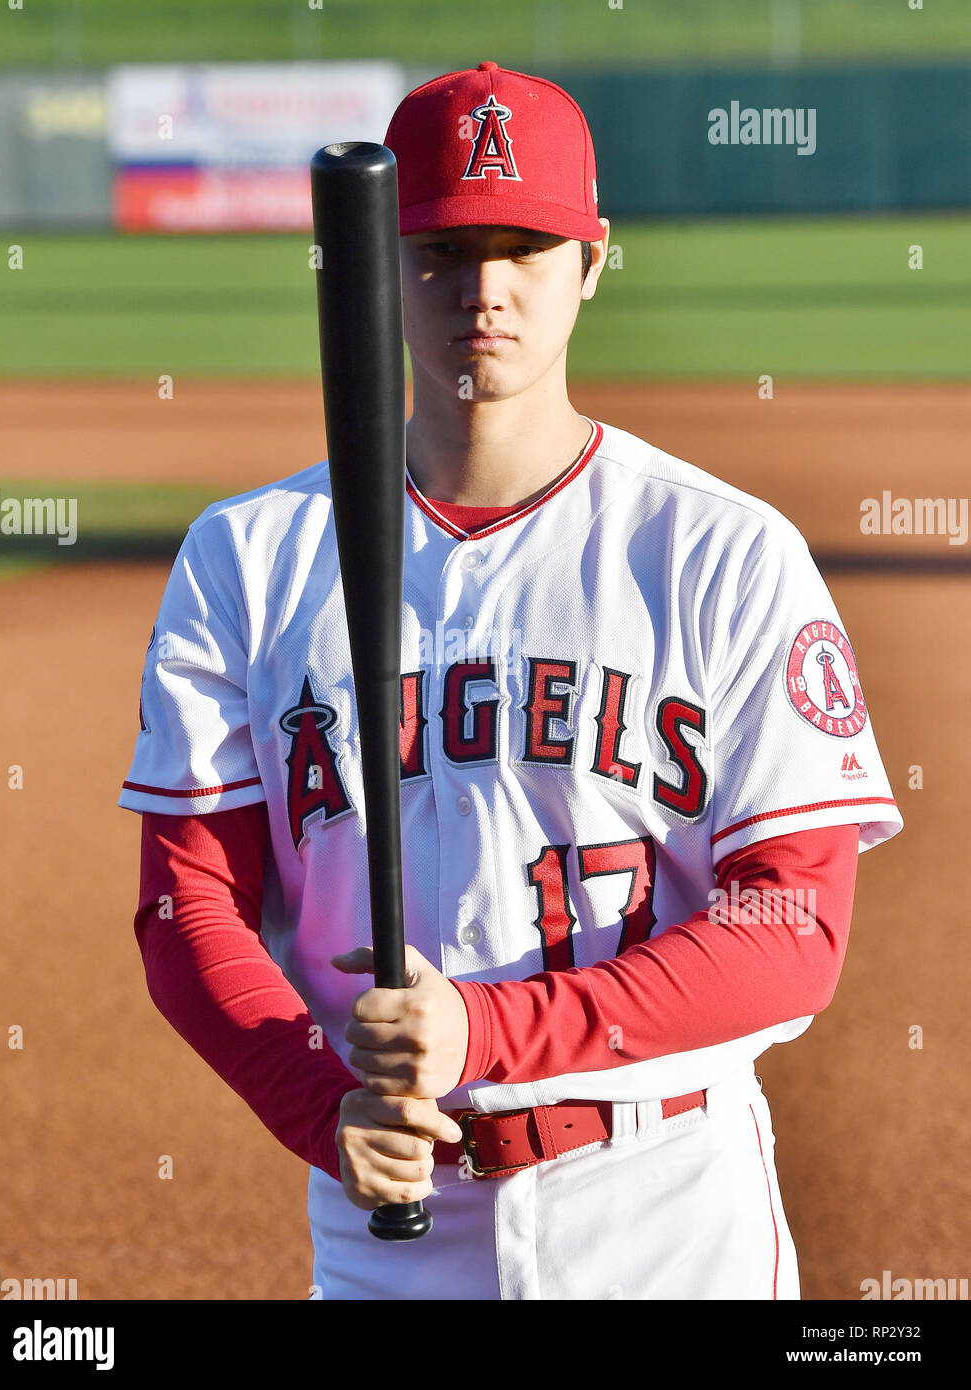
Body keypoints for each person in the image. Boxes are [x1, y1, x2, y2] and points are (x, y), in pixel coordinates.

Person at [120, 62, 902, 1300]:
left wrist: (487, 1031)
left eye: (524, 247)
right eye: (441, 248)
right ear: (378, 264)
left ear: (592, 264)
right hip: (390, 1223)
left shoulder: (721, 553)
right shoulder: (251, 559)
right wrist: (321, 1111)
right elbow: (187, 908)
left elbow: (795, 922)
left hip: (664, 1211)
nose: (483, 290)